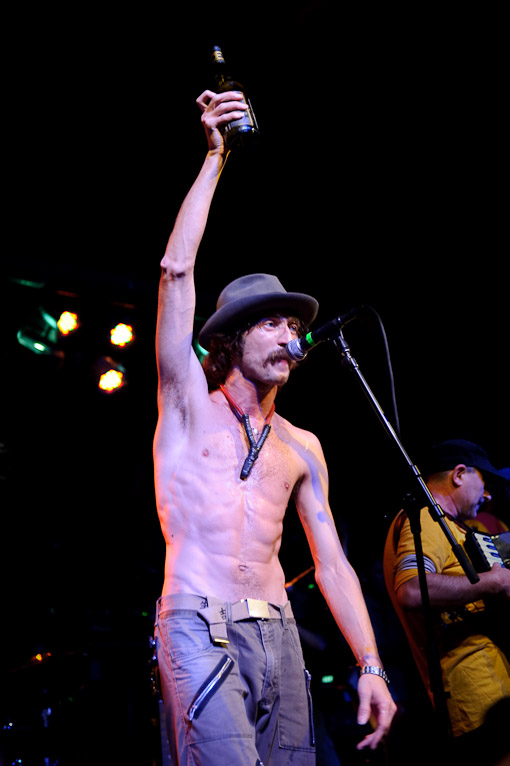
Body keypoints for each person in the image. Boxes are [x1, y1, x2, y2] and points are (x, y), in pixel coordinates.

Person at [152, 87, 396, 765]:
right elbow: (176, 273)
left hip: (279, 634)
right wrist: (214, 158)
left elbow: (331, 563)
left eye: (295, 325)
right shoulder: (187, 406)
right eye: (273, 322)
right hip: (200, 621)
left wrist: (371, 663)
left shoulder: (302, 444)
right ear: (232, 338)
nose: (291, 335)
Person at [383, 438, 510, 755]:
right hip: (476, 696)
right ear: (459, 474)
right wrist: (490, 584)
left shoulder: (448, 526)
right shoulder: (426, 518)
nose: (489, 494)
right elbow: (411, 588)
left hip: (488, 691)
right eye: (484, 481)